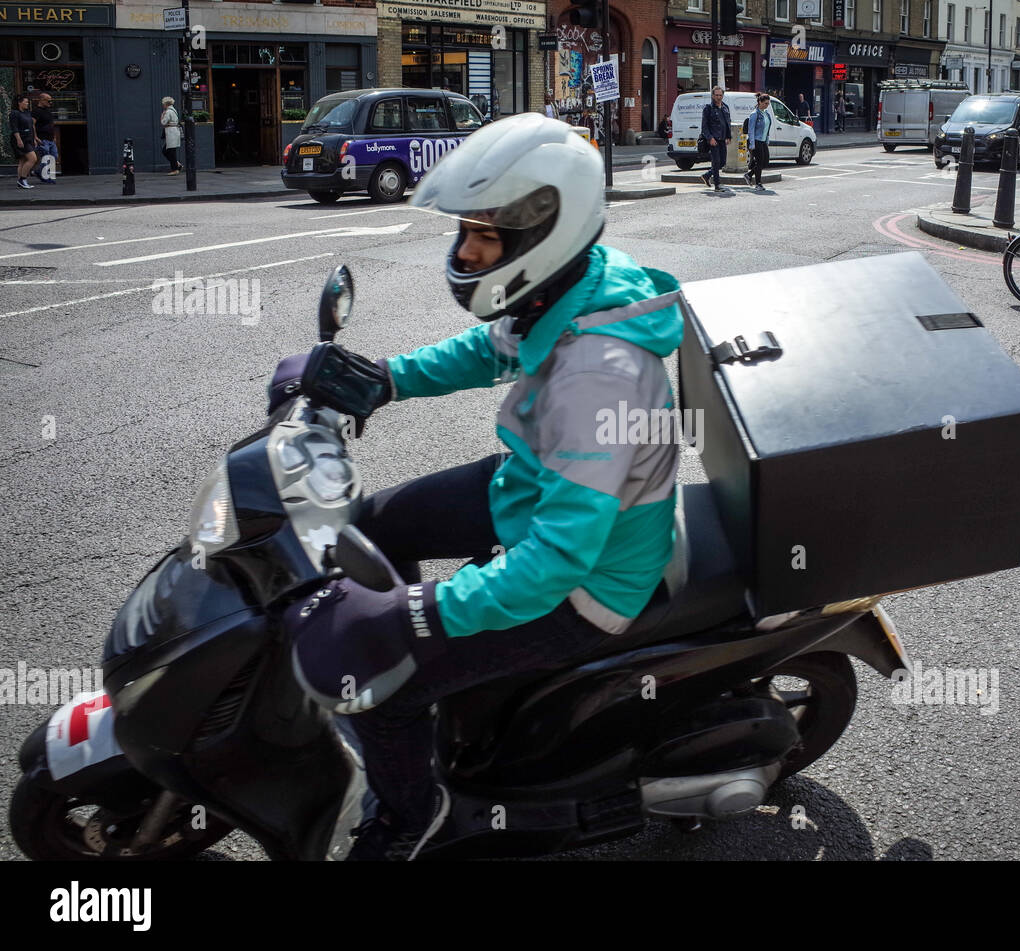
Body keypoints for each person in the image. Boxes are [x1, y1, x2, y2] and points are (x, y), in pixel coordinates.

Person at [275, 113, 685, 861]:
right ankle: (422, 686)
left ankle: (410, 808)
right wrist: (382, 379)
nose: (464, 252)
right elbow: (486, 348)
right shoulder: (566, 287)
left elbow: (555, 566)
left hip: (586, 584)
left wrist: (414, 616)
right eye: (464, 231)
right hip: (530, 492)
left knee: (384, 678)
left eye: (483, 237)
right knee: (374, 526)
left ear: (542, 235)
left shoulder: (601, 372)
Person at [700, 85, 731, 192]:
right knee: (716, 162)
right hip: (714, 139)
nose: (718, 97)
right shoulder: (708, 108)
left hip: (723, 139)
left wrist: (728, 136)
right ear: (713, 96)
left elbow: (728, 123)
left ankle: (707, 175)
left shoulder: (725, 107)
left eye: (720, 95)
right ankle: (717, 185)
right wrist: (710, 138)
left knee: (722, 162)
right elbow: (704, 126)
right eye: (716, 95)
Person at [8, 94, 38, 189]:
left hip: (28, 138)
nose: (27, 104)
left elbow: (31, 126)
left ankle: (20, 183)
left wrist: (34, 139)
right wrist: (19, 139)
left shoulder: (26, 112)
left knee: (22, 161)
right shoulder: (14, 113)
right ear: (19, 103)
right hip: (21, 139)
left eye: (27, 102)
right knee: (33, 159)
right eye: (26, 102)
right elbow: (14, 127)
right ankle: (22, 179)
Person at [744, 93, 773, 190]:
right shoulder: (754, 114)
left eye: (768, 104)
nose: (766, 105)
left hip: (763, 141)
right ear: (759, 102)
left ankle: (749, 174)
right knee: (760, 162)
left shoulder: (766, 114)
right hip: (756, 140)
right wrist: (752, 144)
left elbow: (767, 128)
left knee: (765, 162)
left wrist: (767, 139)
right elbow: (751, 130)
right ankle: (758, 183)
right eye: (765, 103)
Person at [32, 92, 57, 184]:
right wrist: (35, 137)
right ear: (41, 100)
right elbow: (32, 124)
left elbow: (51, 124)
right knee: (46, 157)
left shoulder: (48, 110)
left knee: (53, 156)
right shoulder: (36, 111)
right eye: (48, 101)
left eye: (51, 101)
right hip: (42, 138)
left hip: (50, 139)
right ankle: (46, 177)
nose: (50, 103)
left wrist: (54, 136)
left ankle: (40, 172)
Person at [161, 97, 183, 174]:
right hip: (174, 132)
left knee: (171, 151)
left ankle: (175, 169)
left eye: (163, 104)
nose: (162, 105)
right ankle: (177, 165)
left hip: (171, 133)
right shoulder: (174, 110)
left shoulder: (168, 112)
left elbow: (163, 122)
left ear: (166, 104)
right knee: (167, 151)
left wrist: (162, 115)